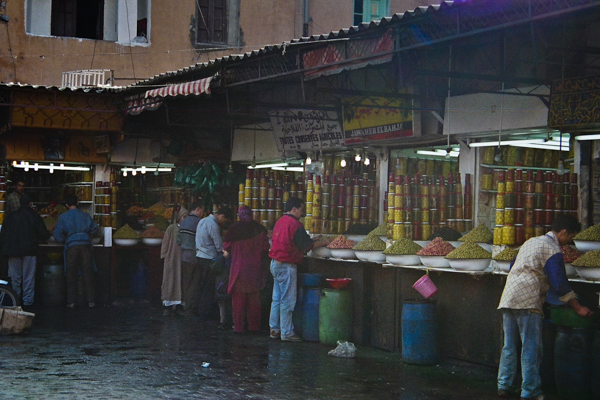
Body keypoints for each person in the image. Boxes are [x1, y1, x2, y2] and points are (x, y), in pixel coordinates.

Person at [497, 214, 593, 400]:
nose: (568, 243)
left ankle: (504, 386)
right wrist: (578, 307)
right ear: (564, 232)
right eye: (570, 237)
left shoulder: (531, 242)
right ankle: (530, 391)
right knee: (531, 347)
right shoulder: (552, 248)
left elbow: (513, 265)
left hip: (509, 296)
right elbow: (560, 283)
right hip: (528, 300)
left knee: (509, 345)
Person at [268, 197, 331, 341]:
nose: (302, 213)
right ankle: (287, 333)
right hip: (286, 266)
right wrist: (325, 242)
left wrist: (312, 239)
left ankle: (274, 329)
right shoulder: (295, 224)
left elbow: (293, 241)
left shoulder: (280, 221)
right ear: (294, 209)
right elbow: (307, 247)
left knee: (277, 299)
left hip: (275, 264)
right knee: (287, 301)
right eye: (301, 210)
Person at [223, 205, 270, 334]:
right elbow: (266, 247)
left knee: (238, 301)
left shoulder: (233, 229)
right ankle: (254, 327)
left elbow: (226, 246)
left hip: (238, 270)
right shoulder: (260, 229)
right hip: (255, 270)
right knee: (254, 301)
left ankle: (238, 327)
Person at [0, 194, 50, 307]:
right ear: (30, 204)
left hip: (12, 251)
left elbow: (3, 235)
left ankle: (14, 300)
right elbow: (43, 234)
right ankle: (27, 302)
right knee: (28, 278)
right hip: (29, 251)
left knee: (14, 278)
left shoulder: (10, 217)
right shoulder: (34, 216)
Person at [54, 194, 99, 308]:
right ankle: (91, 301)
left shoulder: (63, 217)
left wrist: (66, 239)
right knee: (88, 273)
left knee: (71, 274)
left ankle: (71, 302)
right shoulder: (85, 215)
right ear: (77, 203)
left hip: (72, 247)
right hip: (86, 246)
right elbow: (95, 229)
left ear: (66, 205)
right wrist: (88, 235)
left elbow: (57, 236)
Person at [195, 207, 234, 321]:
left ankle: (202, 310)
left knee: (203, 285)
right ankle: (206, 312)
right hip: (209, 258)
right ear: (222, 216)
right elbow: (219, 245)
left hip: (200, 256)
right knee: (209, 286)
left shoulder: (202, 220)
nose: (224, 223)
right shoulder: (213, 225)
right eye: (225, 221)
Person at [176, 201, 205, 317]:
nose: (203, 214)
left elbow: (178, 241)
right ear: (198, 209)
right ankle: (190, 310)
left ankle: (185, 306)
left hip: (184, 257)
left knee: (186, 283)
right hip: (195, 257)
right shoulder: (200, 223)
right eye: (202, 211)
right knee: (195, 283)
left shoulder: (183, 222)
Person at [160, 206, 188, 317]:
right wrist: (164, 256)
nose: (185, 219)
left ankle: (179, 305)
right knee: (170, 280)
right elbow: (165, 243)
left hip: (182, 259)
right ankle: (167, 305)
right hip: (171, 259)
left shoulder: (187, 229)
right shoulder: (171, 228)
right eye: (184, 217)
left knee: (181, 281)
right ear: (179, 218)